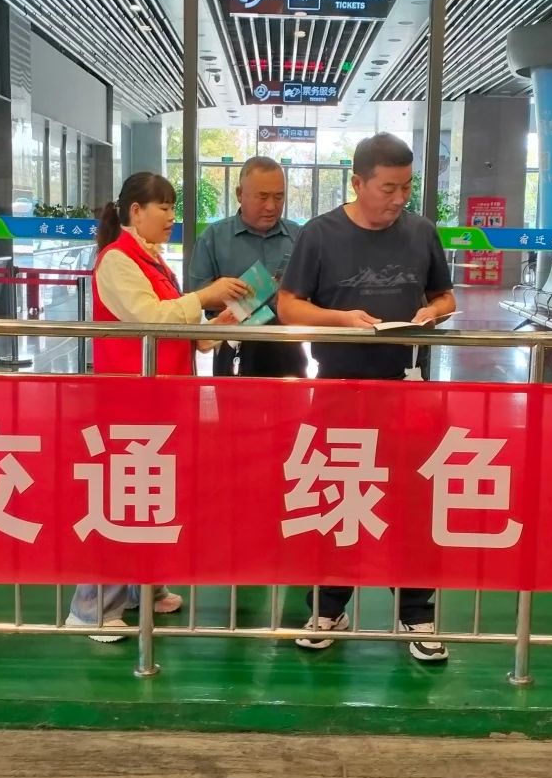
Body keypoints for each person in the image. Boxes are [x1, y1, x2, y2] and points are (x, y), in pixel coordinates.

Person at [278, 132, 456, 663]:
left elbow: (445, 295)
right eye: (387, 189)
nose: (398, 199)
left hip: (408, 390)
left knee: (411, 501)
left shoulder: (421, 232)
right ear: (357, 182)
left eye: (406, 188)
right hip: (339, 390)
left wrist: (432, 312)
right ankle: (328, 605)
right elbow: (289, 305)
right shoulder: (320, 234)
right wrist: (341, 320)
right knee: (338, 496)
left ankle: (415, 611)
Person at [67, 171, 248, 642]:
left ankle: (140, 588)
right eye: (163, 207)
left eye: (172, 207)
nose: (170, 217)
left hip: (158, 400)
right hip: (128, 401)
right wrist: (204, 297)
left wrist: (217, 324)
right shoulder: (116, 260)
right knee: (120, 496)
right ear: (136, 212)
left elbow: (174, 325)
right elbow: (149, 317)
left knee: (149, 490)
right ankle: (91, 609)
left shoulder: (151, 259)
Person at [188, 157, 307, 377]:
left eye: (279, 197)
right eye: (262, 197)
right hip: (233, 345)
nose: (271, 206)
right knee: (233, 400)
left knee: (293, 400)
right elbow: (195, 296)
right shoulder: (213, 238)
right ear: (239, 194)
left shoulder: (300, 237)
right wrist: (241, 296)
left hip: (288, 345)